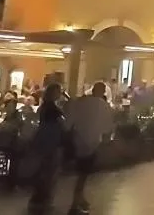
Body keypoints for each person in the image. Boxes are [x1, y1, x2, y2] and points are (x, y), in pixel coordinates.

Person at [64, 81, 115, 213]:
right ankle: (75, 203)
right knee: (83, 174)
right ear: (102, 92)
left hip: (78, 140)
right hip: (92, 143)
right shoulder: (103, 106)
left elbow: (69, 122)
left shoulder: (81, 103)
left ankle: (80, 199)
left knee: (81, 173)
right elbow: (107, 127)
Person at [27, 84, 66, 214]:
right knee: (49, 173)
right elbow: (62, 124)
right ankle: (43, 200)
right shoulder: (53, 109)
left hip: (44, 141)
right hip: (51, 142)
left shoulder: (44, 107)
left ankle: (38, 199)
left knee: (43, 171)